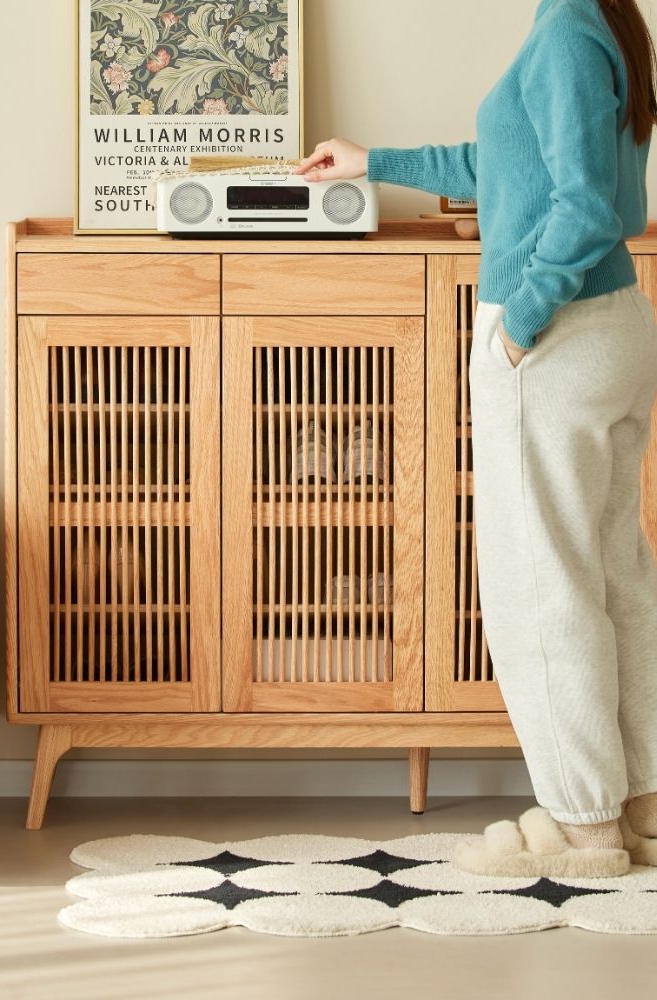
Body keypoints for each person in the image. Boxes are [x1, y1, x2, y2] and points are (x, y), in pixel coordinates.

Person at [295, 0, 657, 878]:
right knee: (611, 575)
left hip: (556, 337)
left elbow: (586, 207)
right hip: (605, 329)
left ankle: (583, 828)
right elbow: (503, 164)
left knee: (543, 587)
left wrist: (520, 323)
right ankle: (641, 806)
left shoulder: (568, 27)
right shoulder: (592, 21)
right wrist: (373, 160)